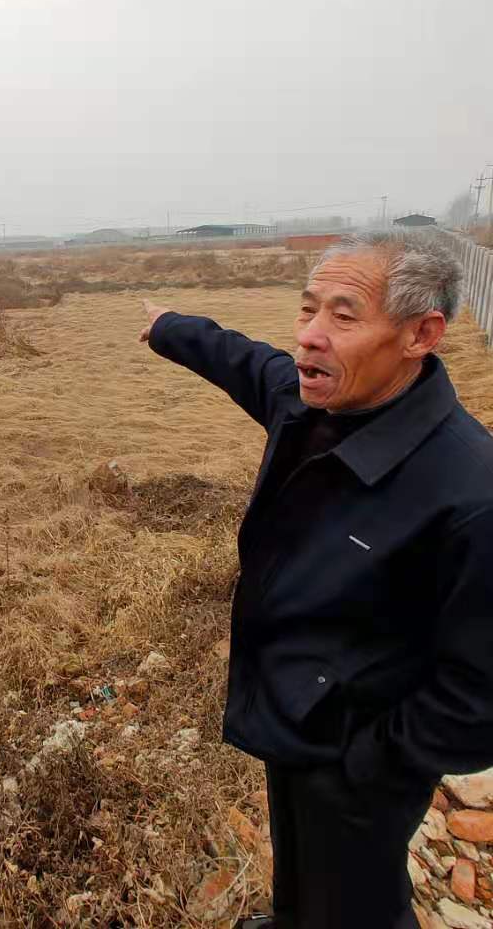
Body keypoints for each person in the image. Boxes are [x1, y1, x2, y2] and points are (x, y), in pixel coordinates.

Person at [139, 231, 493, 929]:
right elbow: (244, 360)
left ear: (421, 334)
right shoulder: (309, 404)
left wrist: (369, 764)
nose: (309, 335)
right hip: (295, 714)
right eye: (307, 309)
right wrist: (170, 328)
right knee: (300, 868)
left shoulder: (469, 492)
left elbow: (479, 698)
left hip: (360, 759)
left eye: (343, 315)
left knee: (358, 902)